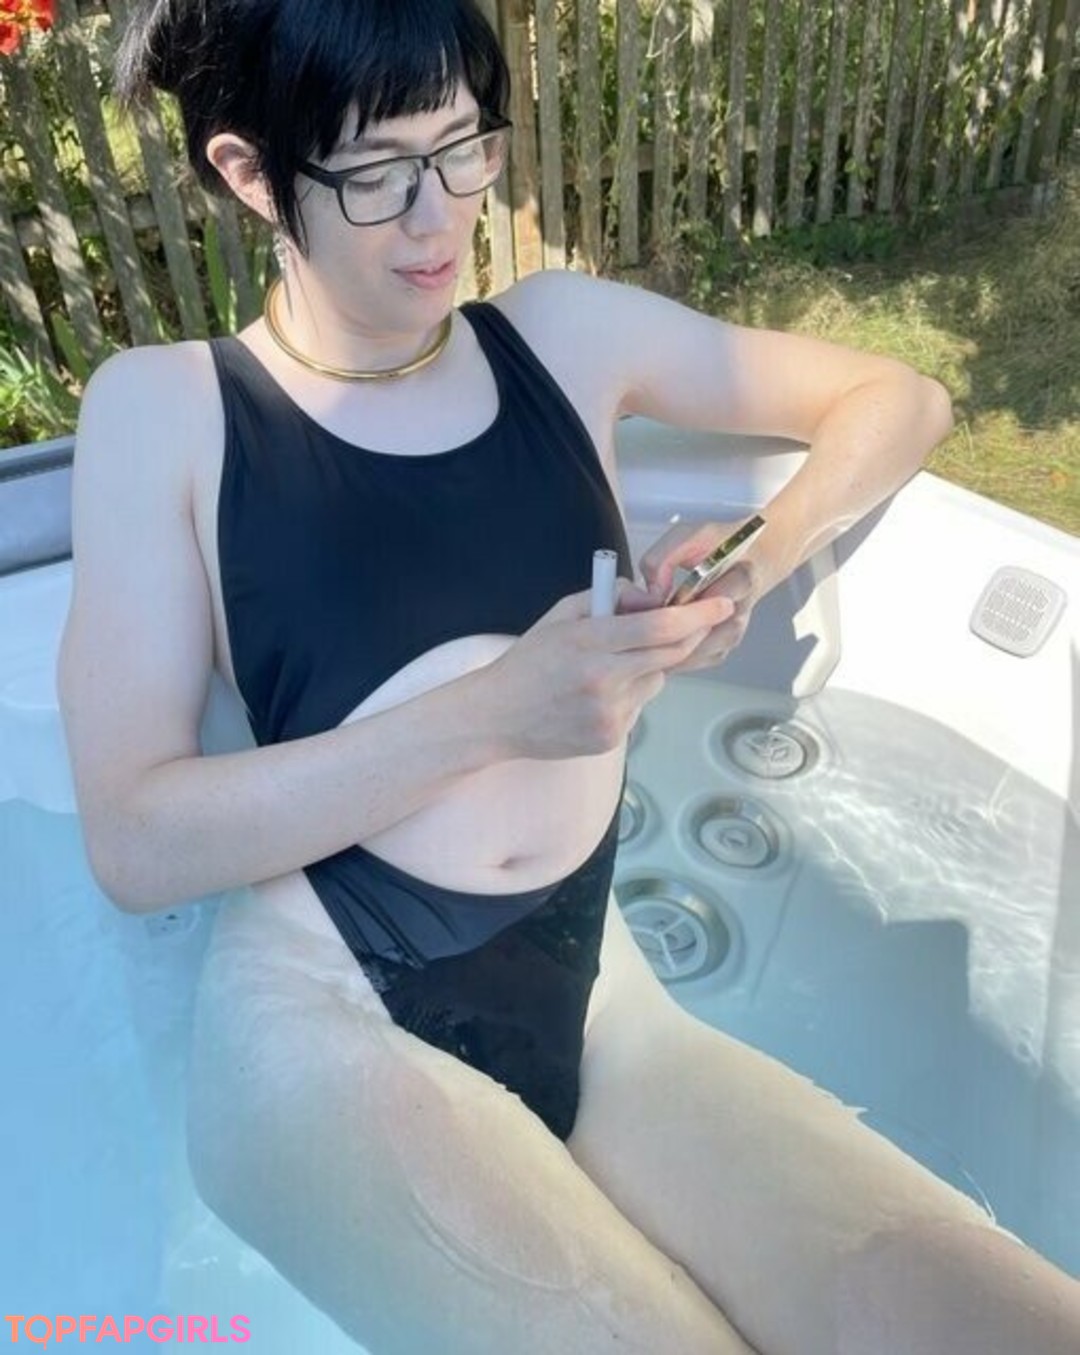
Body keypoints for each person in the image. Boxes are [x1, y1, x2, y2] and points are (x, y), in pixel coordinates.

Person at [57, 1, 1080, 1352]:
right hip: (327, 1010)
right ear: (250, 174)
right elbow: (134, 839)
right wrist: (500, 712)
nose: (442, 214)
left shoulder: (560, 336)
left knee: (993, 1323)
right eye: (379, 173)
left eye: (462, 147)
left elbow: (904, 401)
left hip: (597, 989)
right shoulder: (170, 409)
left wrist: (749, 568)